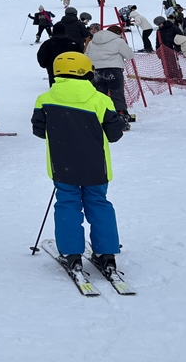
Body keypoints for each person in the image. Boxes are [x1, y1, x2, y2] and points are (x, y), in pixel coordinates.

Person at [32, 51, 126, 275]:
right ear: (87, 72)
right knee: (99, 203)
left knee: (67, 204)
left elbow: (39, 131)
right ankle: (107, 254)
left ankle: (72, 254)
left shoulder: (44, 99)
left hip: (62, 165)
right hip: (96, 166)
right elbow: (114, 135)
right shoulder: (101, 100)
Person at [87, 25, 133, 120]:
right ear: (118, 34)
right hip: (114, 70)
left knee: (100, 94)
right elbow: (129, 55)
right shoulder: (119, 41)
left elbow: (86, 55)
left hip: (97, 70)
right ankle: (121, 114)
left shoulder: (93, 41)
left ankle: (101, 114)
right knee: (117, 93)